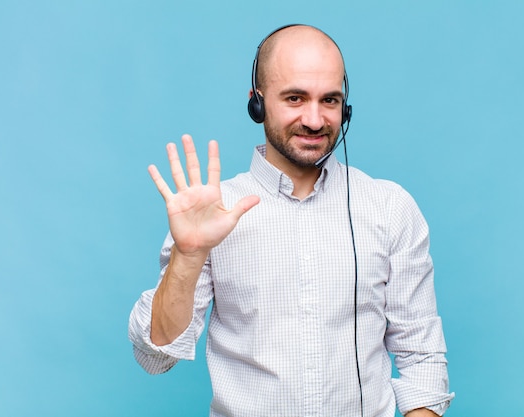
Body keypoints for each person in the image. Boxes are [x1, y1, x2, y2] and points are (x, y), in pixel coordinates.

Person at [129, 24, 454, 417]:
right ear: (257, 103)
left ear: (345, 108)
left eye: (330, 100)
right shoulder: (215, 212)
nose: (315, 120)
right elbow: (155, 356)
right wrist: (188, 255)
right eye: (295, 98)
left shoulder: (389, 208)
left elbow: (423, 360)